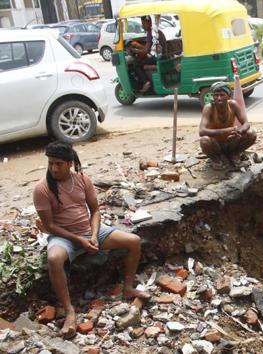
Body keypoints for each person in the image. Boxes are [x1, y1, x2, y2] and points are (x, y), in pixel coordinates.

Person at [33, 142, 150, 339]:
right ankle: (69, 311)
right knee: (54, 259)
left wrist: (94, 235)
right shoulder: (42, 189)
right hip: (64, 237)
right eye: (51, 163)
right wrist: (78, 240)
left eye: (59, 164)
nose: (53, 168)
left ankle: (128, 288)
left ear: (70, 163)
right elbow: (50, 226)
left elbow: (95, 211)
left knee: (134, 240)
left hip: (89, 231)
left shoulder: (82, 180)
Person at [199, 82, 257, 169]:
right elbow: (202, 131)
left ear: (229, 96)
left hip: (231, 142)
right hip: (216, 145)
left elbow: (246, 123)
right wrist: (225, 131)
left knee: (252, 133)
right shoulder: (209, 108)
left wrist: (239, 132)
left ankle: (235, 155)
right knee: (204, 140)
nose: (219, 98)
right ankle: (217, 159)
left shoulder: (233, 105)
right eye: (216, 95)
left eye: (222, 95)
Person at [129, 15, 166, 93]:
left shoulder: (150, 33)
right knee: (142, 60)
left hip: (158, 58)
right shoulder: (156, 31)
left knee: (136, 64)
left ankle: (146, 82)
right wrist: (138, 47)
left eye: (143, 23)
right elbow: (148, 48)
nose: (142, 26)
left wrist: (134, 50)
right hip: (162, 56)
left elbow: (145, 51)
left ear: (148, 22)